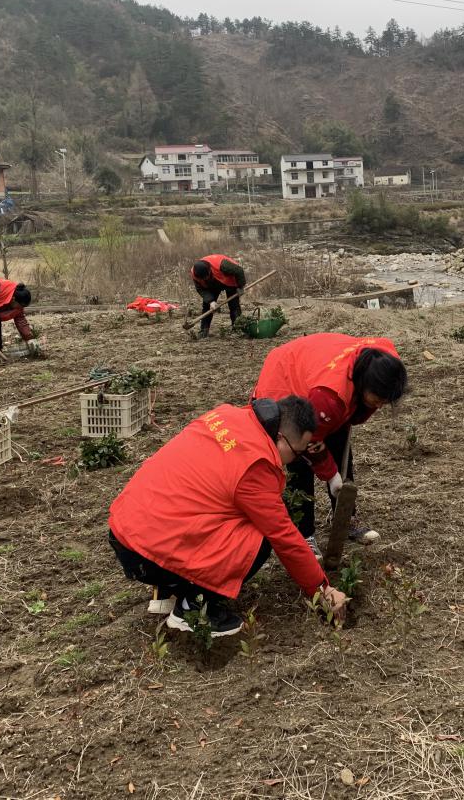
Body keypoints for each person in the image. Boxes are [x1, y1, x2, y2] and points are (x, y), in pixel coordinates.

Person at [108, 395, 349, 637]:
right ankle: (194, 608)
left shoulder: (229, 416)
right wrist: (322, 589)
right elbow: (284, 537)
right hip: (145, 552)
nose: (295, 460)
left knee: (208, 504)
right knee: (259, 537)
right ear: (280, 438)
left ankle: (170, 590)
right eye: (297, 453)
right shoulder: (255, 464)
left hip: (128, 528)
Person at [253, 334, 408, 554]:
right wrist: (331, 475)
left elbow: (344, 420)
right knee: (299, 463)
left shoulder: (385, 362)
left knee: (341, 449)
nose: (381, 405)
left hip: (317, 371)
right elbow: (310, 441)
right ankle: (304, 533)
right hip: (286, 379)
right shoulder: (329, 397)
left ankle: (345, 518)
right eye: (378, 399)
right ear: (364, 384)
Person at [191, 254, 246, 337]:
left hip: (230, 280)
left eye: (206, 277)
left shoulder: (222, 265)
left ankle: (238, 328)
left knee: (234, 305)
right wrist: (211, 301)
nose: (205, 279)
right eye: (203, 278)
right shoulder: (195, 274)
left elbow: (239, 270)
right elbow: (201, 289)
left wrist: (240, 286)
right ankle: (204, 331)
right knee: (207, 306)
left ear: (209, 270)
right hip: (212, 284)